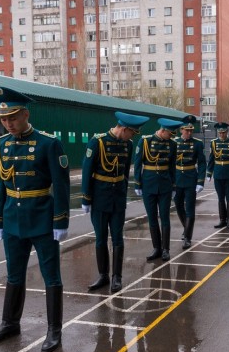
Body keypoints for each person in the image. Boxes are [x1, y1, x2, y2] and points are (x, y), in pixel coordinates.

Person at [0, 86, 70, 352]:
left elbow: (61, 185)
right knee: (14, 274)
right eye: (3, 119)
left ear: (25, 114)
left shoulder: (48, 143)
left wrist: (60, 221)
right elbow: (0, 184)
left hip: (42, 218)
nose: (8, 123)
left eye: (13, 117)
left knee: (51, 276)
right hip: (12, 220)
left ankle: (54, 330)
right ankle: (9, 323)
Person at [81, 111, 149, 293]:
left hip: (118, 197)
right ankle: (103, 275)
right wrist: (86, 197)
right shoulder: (98, 142)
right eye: (132, 132)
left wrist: (123, 191)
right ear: (124, 129)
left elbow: (125, 172)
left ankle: (116, 277)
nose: (132, 136)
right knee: (101, 237)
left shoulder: (128, 144)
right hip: (100, 197)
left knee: (118, 238)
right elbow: (87, 170)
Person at [134, 118, 183, 261]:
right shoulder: (145, 141)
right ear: (163, 131)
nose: (171, 137)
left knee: (165, 217)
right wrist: (137, 183)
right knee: (152, 217)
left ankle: (166, 249)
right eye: (170, 134)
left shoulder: (172, 144)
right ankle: (156, 248)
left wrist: (174, 185)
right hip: (148, 184)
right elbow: (138, 164)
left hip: (165, 185)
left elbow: (172, 166)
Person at [173, 115, 207, 249]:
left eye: (191, 130)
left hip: (191, 178)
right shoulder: (174, 142)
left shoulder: (197, 143)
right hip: (177, 178)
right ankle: (186, 227)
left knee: (190, 208)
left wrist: (200, 181)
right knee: (178, 204)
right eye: (187, 130)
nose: (189, 133)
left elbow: (202, 163)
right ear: (181, 130)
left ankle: (187, 237)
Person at [206, 122, 229, 229]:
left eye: (223, 132)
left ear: (227, 132)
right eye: (220, 133)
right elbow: (211, 159)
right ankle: (222, 220)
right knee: (220, 198)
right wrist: (209, 172)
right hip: (218, 173)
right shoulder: (213, 143)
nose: (221, 134)